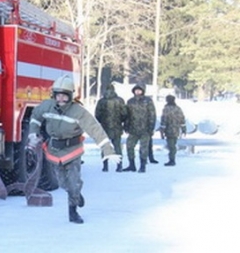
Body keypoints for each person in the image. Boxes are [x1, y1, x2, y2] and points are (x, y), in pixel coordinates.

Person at [27, 76, 121, 224]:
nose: (61, 98)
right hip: (54, 151)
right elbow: (35, 116)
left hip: (72, 151)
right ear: (54, 95)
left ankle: (73, 211)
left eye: (65, 95)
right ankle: (75, 194)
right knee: (63, 183)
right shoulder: (47, 106)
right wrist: (33, 132)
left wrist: (108, 150)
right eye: (58, 95)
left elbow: (95, 129)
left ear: (71, 96)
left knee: (73, 182)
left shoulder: (79, 111)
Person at [122, 84, 156, 173]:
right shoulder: (130, 101)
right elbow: (127, 115)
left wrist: (151, 128)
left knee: (143, 149)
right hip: (133, 129)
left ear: (143, 91)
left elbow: (152, 115)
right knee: (129, 146)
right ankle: (131, 165)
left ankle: (142, 165)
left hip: (145, 129)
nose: (137, 92)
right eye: (136, 90)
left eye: (139, 90)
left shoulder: (148, 101)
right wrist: (126, 125)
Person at [95, 84, 128, 172]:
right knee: (117, 147)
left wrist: (102, 121)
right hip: (117, 127)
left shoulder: (101, 101)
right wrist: (121, 121)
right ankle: (119, 166)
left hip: (105, 127)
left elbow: (97, 114)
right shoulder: (120, 100)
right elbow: (124, 113)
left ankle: (105, 166)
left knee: (105, 146)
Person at [159, 95, 186, 166]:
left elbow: (163, 120)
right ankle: (172, 159)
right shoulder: (178, 109)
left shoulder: (166, 109)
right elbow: (182, 119)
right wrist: (183, 129)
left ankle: (172, 160)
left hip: (169, 130)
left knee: (171, 146)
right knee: (173, 145)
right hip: (176, 130)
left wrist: (162, 131)